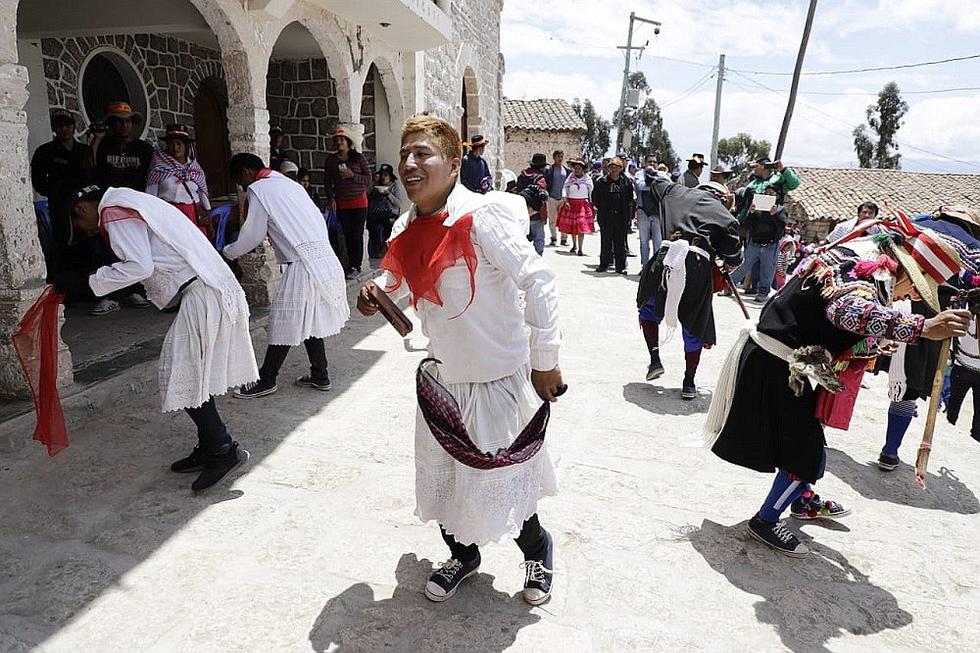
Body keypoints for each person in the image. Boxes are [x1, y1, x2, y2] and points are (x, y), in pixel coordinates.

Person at [356, 114, 563, 607]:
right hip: (444, 382)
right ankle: (463, 556)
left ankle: (537, 552)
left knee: (506, 479)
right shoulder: (406, 225)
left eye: (422, 153)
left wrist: (545, 359)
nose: (409, 163)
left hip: (498, 379)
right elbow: (400, 281)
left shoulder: (482, 218)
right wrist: (377, 292)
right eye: (405, 154)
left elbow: (538, 280)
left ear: (453, 165)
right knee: (446, 481)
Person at [706, 220, 969, 557]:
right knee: (804, 453)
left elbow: (827, 319)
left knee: (808, 443)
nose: (910, 296)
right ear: (907, 272)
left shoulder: (857, 256)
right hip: (778, 364)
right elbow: (846, 312)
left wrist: (874, 344)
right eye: (916, 289)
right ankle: (765, 521)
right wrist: (921, 326)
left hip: (784, 359)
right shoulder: (867, 275)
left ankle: (802, 500)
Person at [69, 185, 258, 491]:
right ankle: (211, 444)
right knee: (189, 372)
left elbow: (138, 266)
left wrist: (88, 283)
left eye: (79, 224)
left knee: (180, 372)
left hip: (203, 290)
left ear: (81, 209)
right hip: (209, 284)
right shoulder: (130, 199)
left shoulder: (114, 211)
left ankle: (222, 449)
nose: (86, 229)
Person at [224, 153, 350, 398]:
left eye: (240, 181)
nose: (242, 187)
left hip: (303, 263)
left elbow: (252, 235)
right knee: (308, 319)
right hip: (322, 258)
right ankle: (320, 374)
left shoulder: (260, 189)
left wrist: (227, 253)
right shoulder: (288, 184)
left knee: (284, 321)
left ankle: (267, 379)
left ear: (246, 172)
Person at [872, 207, 980, 470]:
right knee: (909, 386)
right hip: (934, 317)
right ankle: (890, 450)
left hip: (888, 303)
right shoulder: (972, 250)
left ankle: (819, 425)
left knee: (855, 362)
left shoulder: (917, 228)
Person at [636, 179, 742, 398]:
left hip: (666, 259)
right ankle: (689, 382)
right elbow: (733, 257)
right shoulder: (726, 216)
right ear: (724, 198)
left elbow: (656, 183)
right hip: (697, 267)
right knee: (694, 324)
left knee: (648, 309)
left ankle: (654, 360)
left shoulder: (674, 192)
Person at [30, 109, 92, 281]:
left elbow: (92, 176)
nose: (64, 129)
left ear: (73, 127)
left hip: (84, 207)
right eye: (59, 125)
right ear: (54, 128)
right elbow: (38, 180)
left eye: (67, 125)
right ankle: (67, 286)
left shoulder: (84, 150)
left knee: (88, 244)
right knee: (63, 244)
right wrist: (55, 192)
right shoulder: (45, 151)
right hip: (60, 207)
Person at [323, 128, 373, 278]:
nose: (339, 142)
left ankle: (355, 265)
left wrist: (353, 175)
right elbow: (327, 182)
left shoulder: (358, 158)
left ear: (348, 142)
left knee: (356, 235)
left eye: (342, 139)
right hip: (342, 203)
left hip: (359, 203)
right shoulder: (331, 161)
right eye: (337, 139)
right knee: (347, 235)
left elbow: (368, 179)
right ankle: (350, 264)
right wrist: (331, 198)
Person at [145, 124, 211, 236]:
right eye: (172, 144)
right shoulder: (159, 168)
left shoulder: (195, 169)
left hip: (193, 215)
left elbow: (203, 194)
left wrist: (209, 219)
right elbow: (150, 197)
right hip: (168, 215)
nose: (175, 148)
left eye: (179, 144)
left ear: (186, 146)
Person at [730, 187, 788, 303]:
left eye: (772, 193)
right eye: (767, 193)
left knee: (767, 271)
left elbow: (782, 227)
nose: (768, 195)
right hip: (754, 244)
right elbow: (747, 224)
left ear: (777, 196)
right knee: (743, 266)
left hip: (770, 245)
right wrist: (751, 213)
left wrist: (774, 215)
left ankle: (763, 293)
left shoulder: (781, 210)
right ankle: (729, 286)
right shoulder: (757, 208)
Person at [92, 102, 154, 191]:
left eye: (127, 121)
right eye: (119, 121)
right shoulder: (103, 144)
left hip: (135, 197)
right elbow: (89, 166)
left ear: (132, 124)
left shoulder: (145, 149)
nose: (124, 125)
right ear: (112, 124)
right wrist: (97, 139)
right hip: (108, 195)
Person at [591, 157, 634, 274]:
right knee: (606, 241)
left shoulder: (626, 182)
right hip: (606, 217)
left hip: (621, 217)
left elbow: (630, 199)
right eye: (611, 167)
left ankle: (620, 267)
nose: (614, 170)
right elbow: (595, 198)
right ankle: (604, 264)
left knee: (620, 242)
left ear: (621, 168)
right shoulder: (601, 182)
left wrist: (628, 217)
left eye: (616, 167)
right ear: (608, 168)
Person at [556, 158, 594, 256]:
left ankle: (580, 248)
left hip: (582, 205)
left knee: (581, 226)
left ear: (582, 169)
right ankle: (574, 245)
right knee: (573, 226)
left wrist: (592, 203)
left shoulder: (587, 179)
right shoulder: (570, 179)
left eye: (579, 168)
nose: (577, 170)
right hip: (571, 204)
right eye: (575, 168)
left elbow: (591, 190)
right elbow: (565, 188)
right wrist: (565, 199)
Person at [515, 153, 550, 255]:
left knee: (522, 239)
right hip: (536, 214)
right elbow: (543, 197)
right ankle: (536, 260)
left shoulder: (522, 175)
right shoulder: (540, 179)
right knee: (539, 240)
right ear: (542, 167)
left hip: (521, 212)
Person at [366, 163, 402, 259]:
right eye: (382, 175)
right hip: (377, 213)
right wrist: (374, 183)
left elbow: (398, 203)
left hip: (390, 213)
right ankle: (376, 248)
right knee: (371, 223)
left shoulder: (394, 186)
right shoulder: (376, 186)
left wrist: (388, 194)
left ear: (390, 176)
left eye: (386, 175)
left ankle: (386, 248)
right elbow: (367, 194)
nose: (383, 177)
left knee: (388, 224)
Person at [634, 154, 664, 266]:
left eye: (654, 162)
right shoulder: (639, 174)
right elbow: (641, 186)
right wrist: (657, 184)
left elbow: (667, 184)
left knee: (658, 243)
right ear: (645, 163)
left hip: (657, 213)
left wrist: (655, 174)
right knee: (644, 242)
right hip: (643, 212)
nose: (652, 164)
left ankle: (655, 269)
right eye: (649, 161)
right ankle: (645, 267)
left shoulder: (662, 174)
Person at [544, 150, 570, 247]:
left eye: (561, 156)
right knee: (552, 219)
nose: (560, 158)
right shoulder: (549, 170)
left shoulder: (567, 171)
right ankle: (553, 238)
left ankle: (564, 238)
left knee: (564, 219)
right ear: (554, 158)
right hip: (552, 197)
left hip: (563, 198)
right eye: (558, 156)